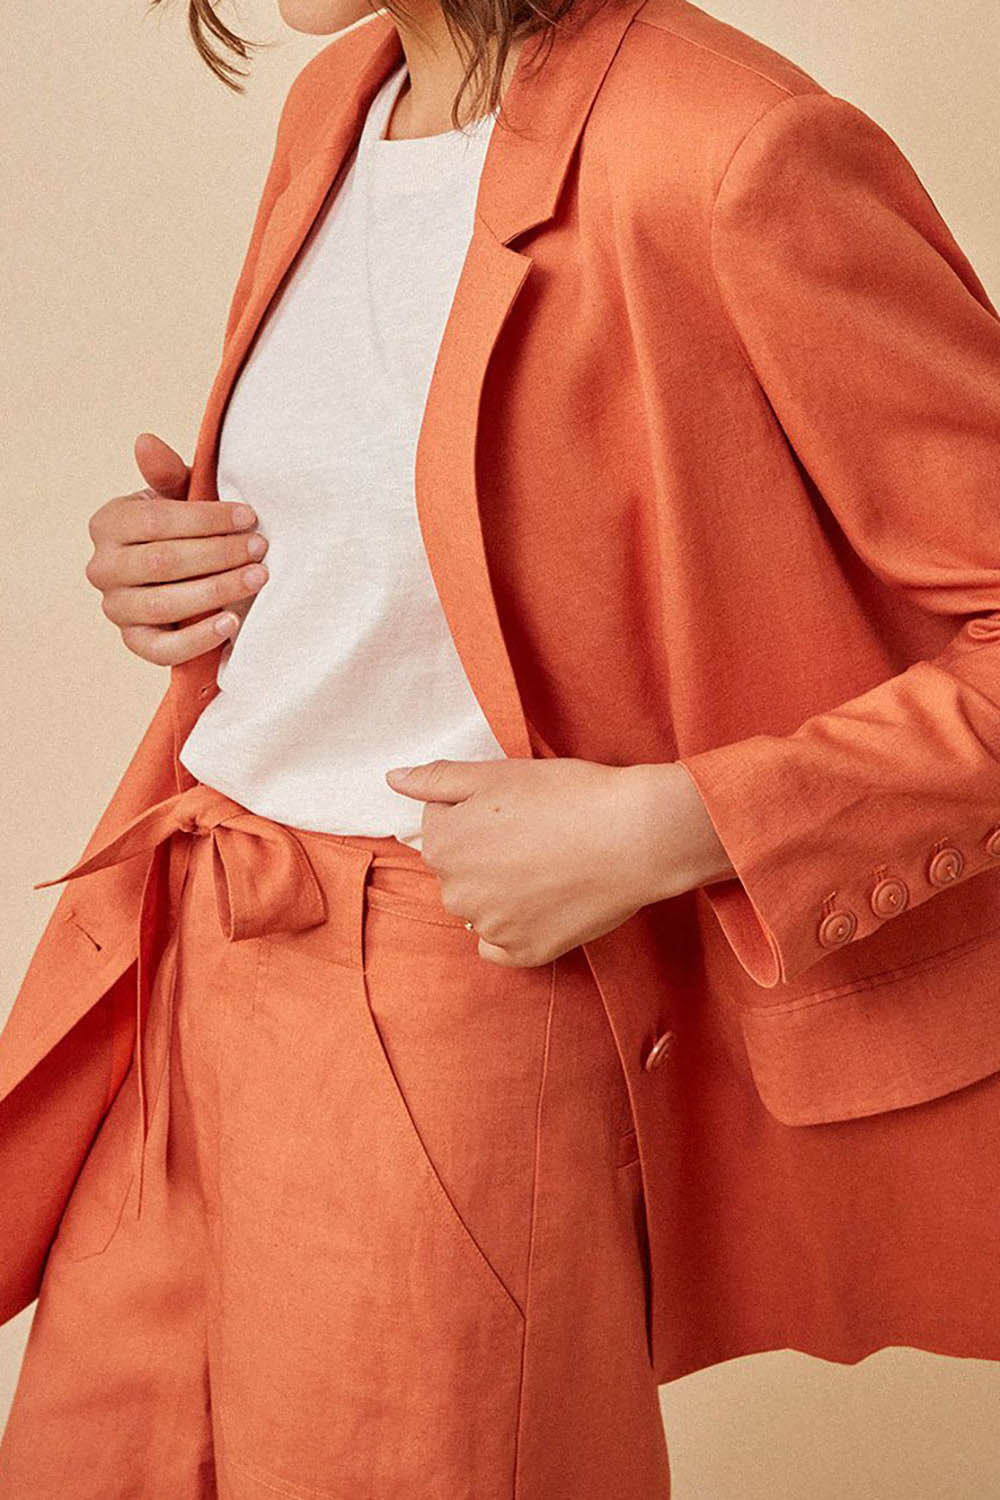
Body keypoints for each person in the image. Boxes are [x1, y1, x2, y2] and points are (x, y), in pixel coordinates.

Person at [3, 0, 1000, 1494]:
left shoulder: (727, 150)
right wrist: (188, 574)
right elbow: (443, 538)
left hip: (448, 1008)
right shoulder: (344, 99)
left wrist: (682, 825)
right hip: (190, 964)